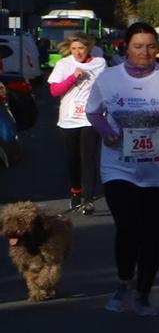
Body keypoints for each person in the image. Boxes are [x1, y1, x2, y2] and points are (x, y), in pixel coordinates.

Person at [86, 24, 159, 316]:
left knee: (152, 235)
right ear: (126, 48)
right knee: (127, 227)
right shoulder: (109, 79)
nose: (145, 52)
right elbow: (93, 112)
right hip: (119, 168)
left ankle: (144, 291)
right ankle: (124, 280)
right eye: (138, 46)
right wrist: (107, 131)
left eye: (150, 46)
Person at [47, 37, 106, 215]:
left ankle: (88, 199)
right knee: (73, 159)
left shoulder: (99, 63)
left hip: (91, 118)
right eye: (74, 48)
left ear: (88, 48)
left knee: (88, 158)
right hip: (69, 118)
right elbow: (54, 91)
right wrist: (73, 77)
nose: (78, 52)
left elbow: (107, 86)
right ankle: (75, 191)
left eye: (81, 48)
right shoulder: (64, 64)